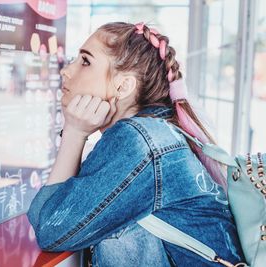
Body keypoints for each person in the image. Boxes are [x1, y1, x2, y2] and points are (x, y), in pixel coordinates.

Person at [27, 22, 245, 266]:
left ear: (123, 86)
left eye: (85, 62)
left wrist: (75, 133)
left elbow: (51, 230)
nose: (66, 70)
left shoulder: (138, 141)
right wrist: (74, 132)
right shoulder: (157, 131)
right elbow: (45, 216)